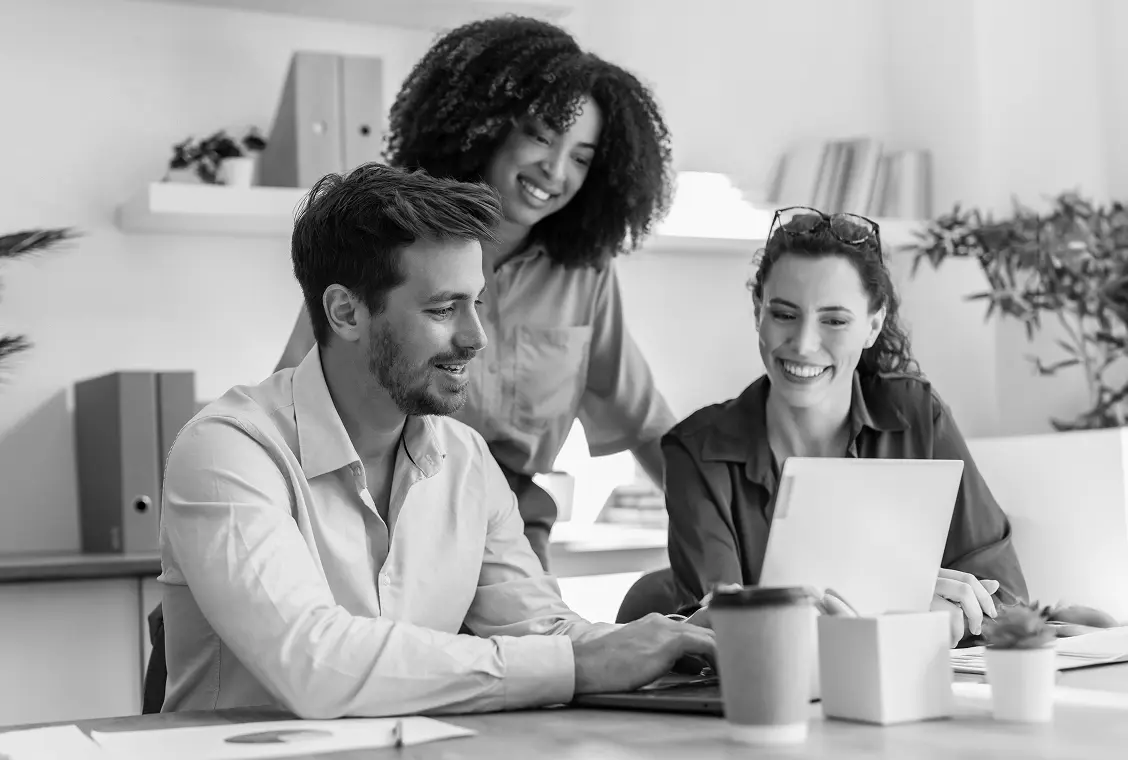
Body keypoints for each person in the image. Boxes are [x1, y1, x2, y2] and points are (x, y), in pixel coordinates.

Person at [158, 164, 713, 718]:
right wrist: (573, 665)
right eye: (443, 309)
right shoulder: (227, 452)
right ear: (346, 312)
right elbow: (314, 663)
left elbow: (541, 629)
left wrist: (671, 643)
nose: (476, 337)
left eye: (477, 303)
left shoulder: (467, 460)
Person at [274, 16, 677, 568]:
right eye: (540, 135)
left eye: (581, 157)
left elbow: (645, 423)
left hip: (507, 524)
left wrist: (737, 540)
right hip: (372, 509)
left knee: (547, 649)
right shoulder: (389, 239)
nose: (555, 169)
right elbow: (293, 397)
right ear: (485, 125)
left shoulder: (586, 274)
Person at [661, 207, 1029, 647]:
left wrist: (938, 619)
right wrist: (907, 610)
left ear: (873, 325)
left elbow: (1005, 599)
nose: (803, 344)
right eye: (783, 314)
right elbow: (722, 633)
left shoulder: (916, 417)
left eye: (834, 320)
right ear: (758, 310)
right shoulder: (696, 450)